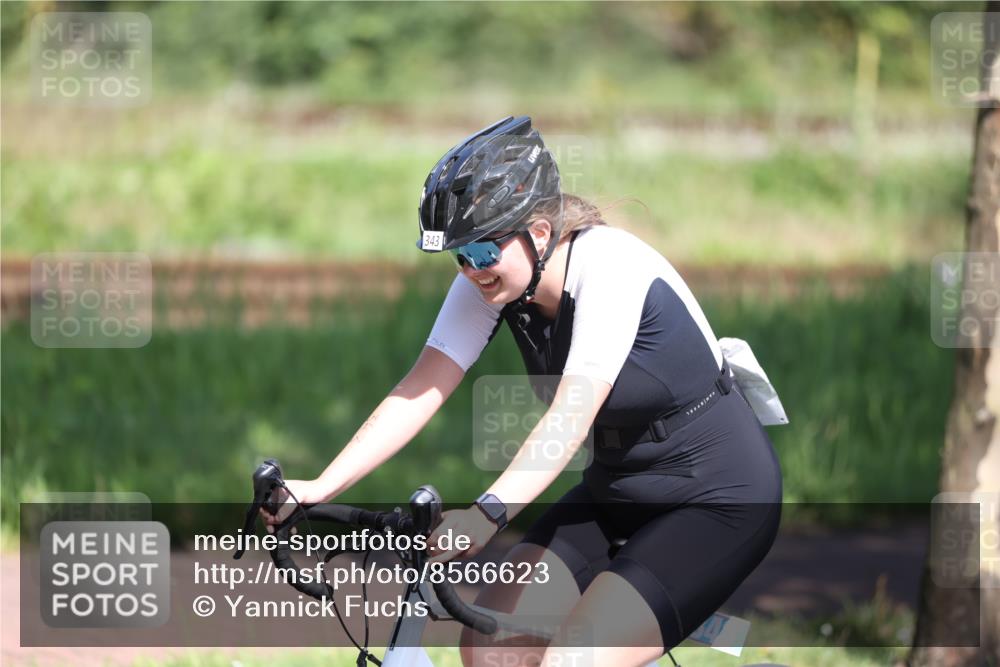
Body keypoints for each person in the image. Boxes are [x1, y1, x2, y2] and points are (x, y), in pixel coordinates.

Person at [262, 116, 783, 667]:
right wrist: (319, 485)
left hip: (717, 499)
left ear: (538, 233)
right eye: (459, 257)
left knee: (571, 660)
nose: (470, 271)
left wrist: (488, 512)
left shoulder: (610, 268)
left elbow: (568, 420)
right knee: (491, 650)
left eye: (482, 253)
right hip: (616, 492)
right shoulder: (494, 279)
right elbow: (420, 388)